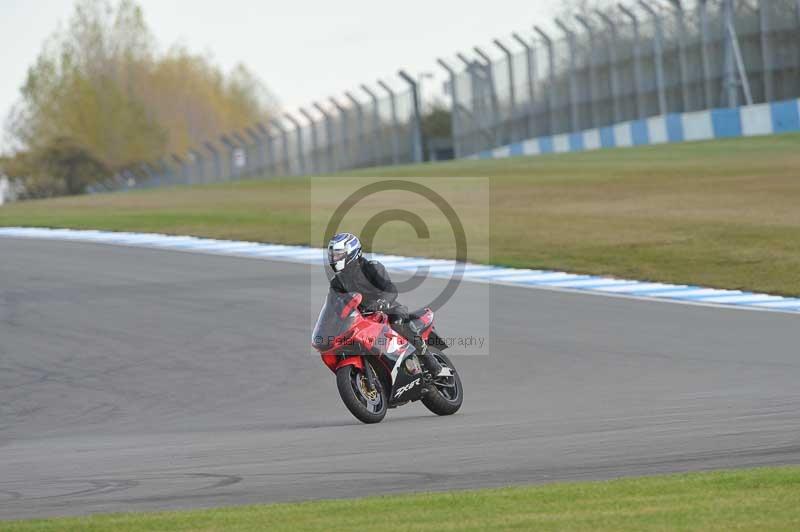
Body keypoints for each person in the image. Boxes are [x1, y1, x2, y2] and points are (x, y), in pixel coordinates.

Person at [327, 232, 444, 376]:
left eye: (338, 255)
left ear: (351, 252)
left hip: (388, 309)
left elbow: (390, 290)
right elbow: (334, 305)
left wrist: (382, 303)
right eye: (333, 255)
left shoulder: (371, 267)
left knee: (398, 322)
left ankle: (430, 361)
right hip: (361, 319)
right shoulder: (337, 282)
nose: (334, 259)